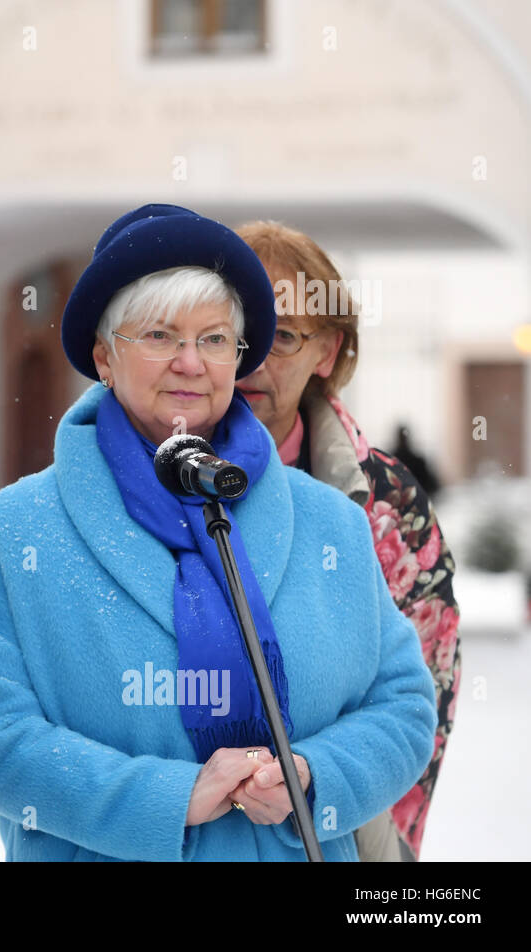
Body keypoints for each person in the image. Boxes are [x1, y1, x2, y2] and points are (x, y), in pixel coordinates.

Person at [0, 204, 436, 861]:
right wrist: (170, 798)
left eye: (213, 339)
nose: (190, 363)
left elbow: (403, 706)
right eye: (159, 336)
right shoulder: (21, 528)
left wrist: (311, 778)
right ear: (104, 357)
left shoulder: (332, 524)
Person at [234, 220, 459, 861]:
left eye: (281, 337)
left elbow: (426, 688)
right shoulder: (152, 473)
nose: (252, 359)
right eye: (236, 333)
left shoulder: (387, 503)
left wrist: (380, 842)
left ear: (326, 354)